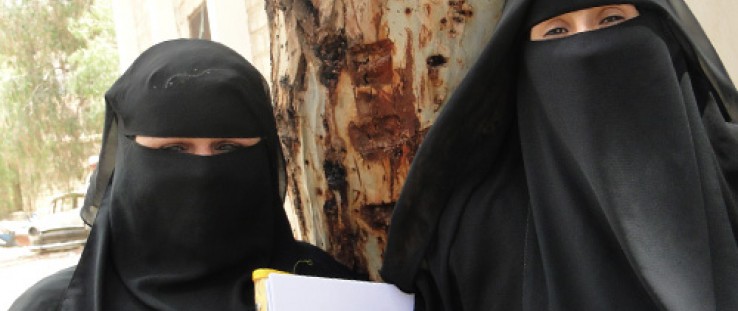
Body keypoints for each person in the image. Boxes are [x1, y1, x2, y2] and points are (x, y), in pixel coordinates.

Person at [381, 0, 738, 310]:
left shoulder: (731, 179)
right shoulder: (480, 234)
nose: (585, 46)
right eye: (555, 31)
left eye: (611, 19)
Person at [10, 39, 357, 311]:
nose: (202, 173)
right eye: (174, 150)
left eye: (227, 149)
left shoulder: (330, 293)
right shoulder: (52, 305)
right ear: (129, 160)